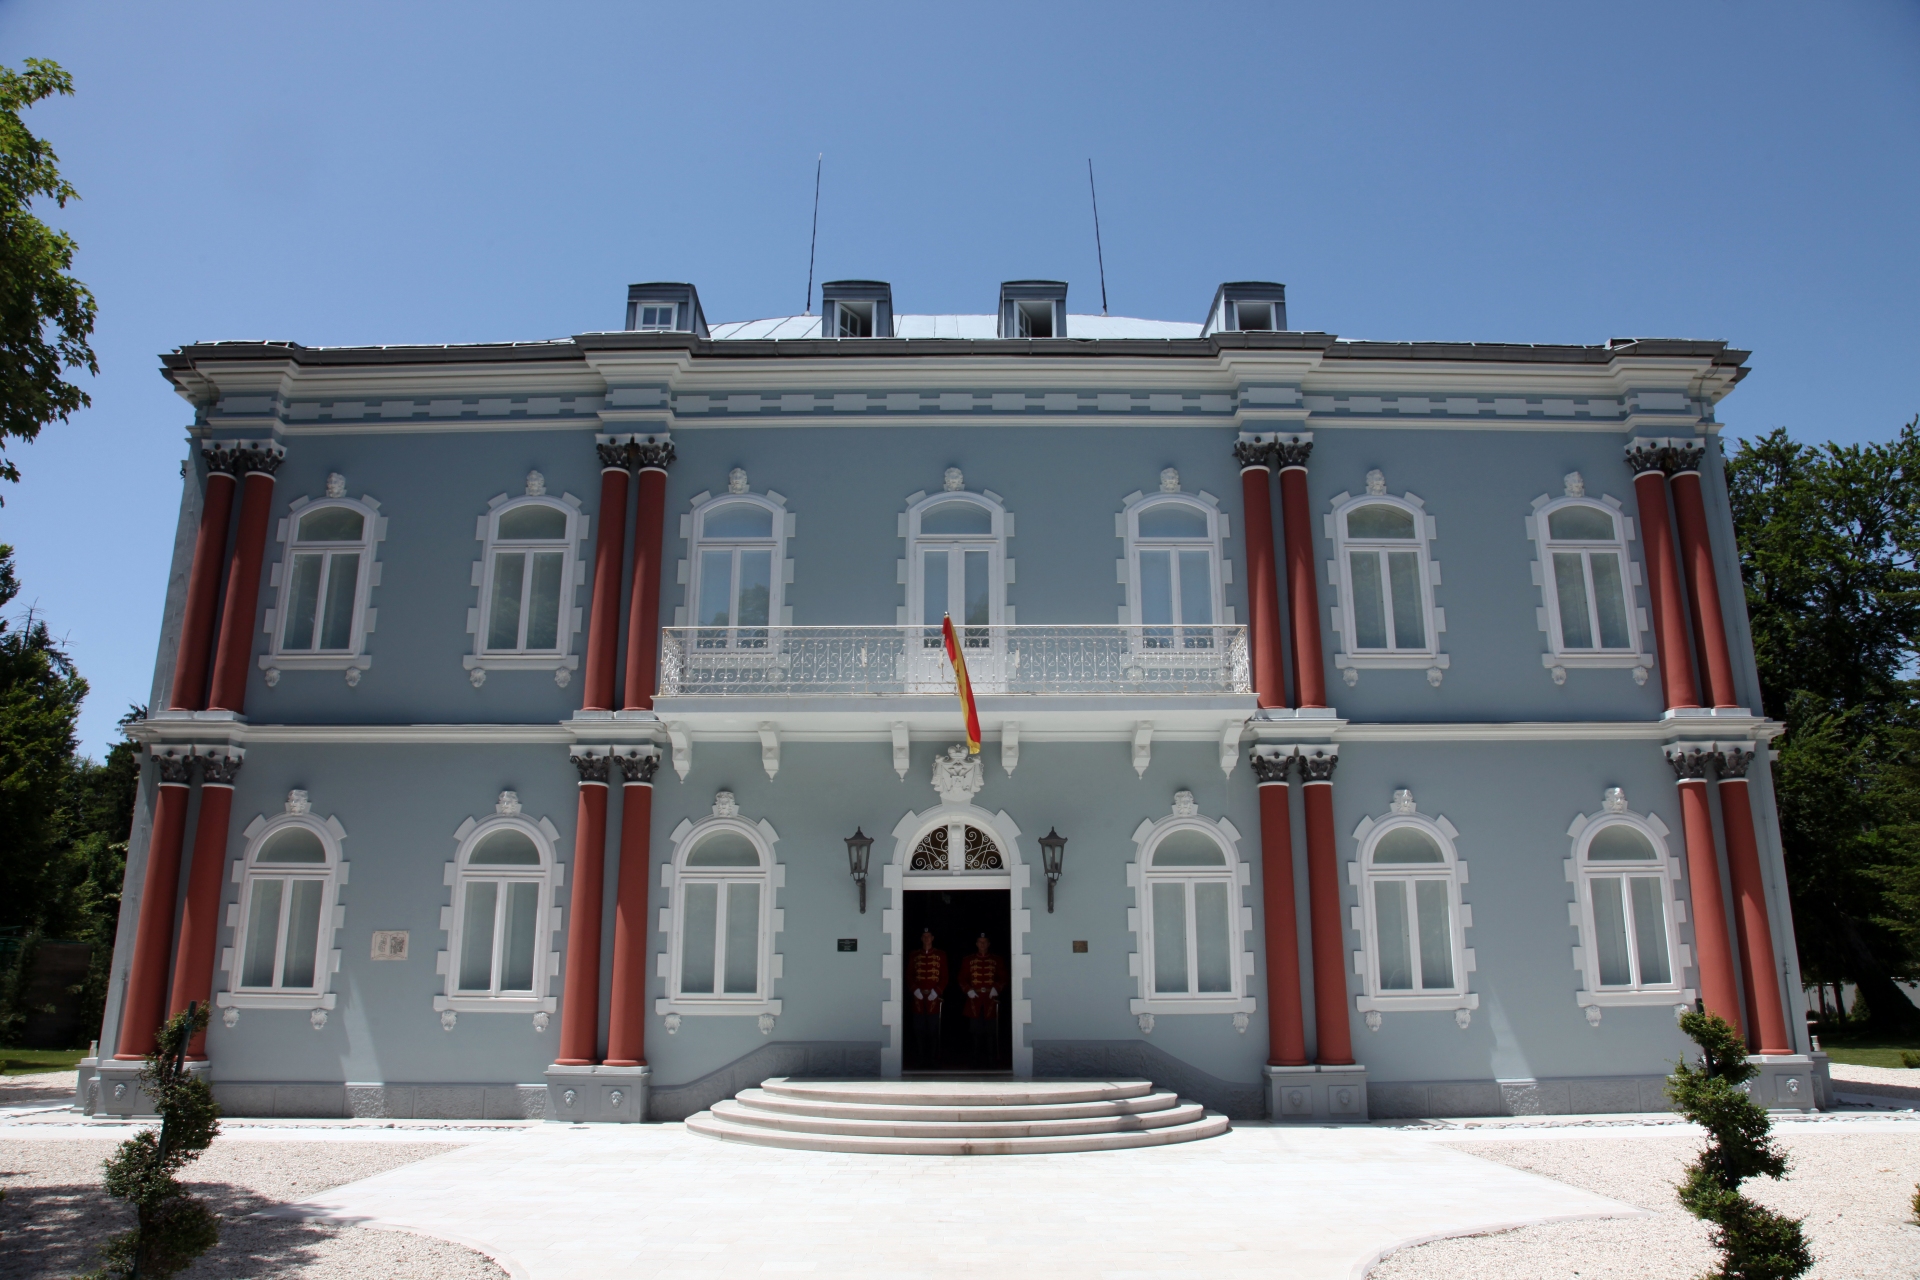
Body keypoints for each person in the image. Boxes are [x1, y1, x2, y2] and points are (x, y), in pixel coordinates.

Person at [960, 932, 1007, 1068]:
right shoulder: (968, 960)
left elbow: (1003, 977)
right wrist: (968, 990)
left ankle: (991, 1061)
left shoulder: (997, 960)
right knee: (975, 1032)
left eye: (984, 941)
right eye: (980, 941)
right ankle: (975, 1060)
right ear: (976, 944)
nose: (982, 944)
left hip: (990, 1000)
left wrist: (996, 988)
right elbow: (962, 978)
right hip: (974, 1000)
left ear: (988, 944)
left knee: (991, 1032)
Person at [907, 928, 948, 1063]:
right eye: (924, 936)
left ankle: (933, 1059)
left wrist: (936, 991)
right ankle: (920, 1058)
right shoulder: (914, 955)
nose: (926, 938)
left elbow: (944, 976)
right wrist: (915, 990)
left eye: (928, 936)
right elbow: (909, 975)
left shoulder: (940, 955)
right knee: (918, 1029)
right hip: (918, 998)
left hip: (933, 998)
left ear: (932, 938)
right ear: (921, 938)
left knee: (933, 1029)